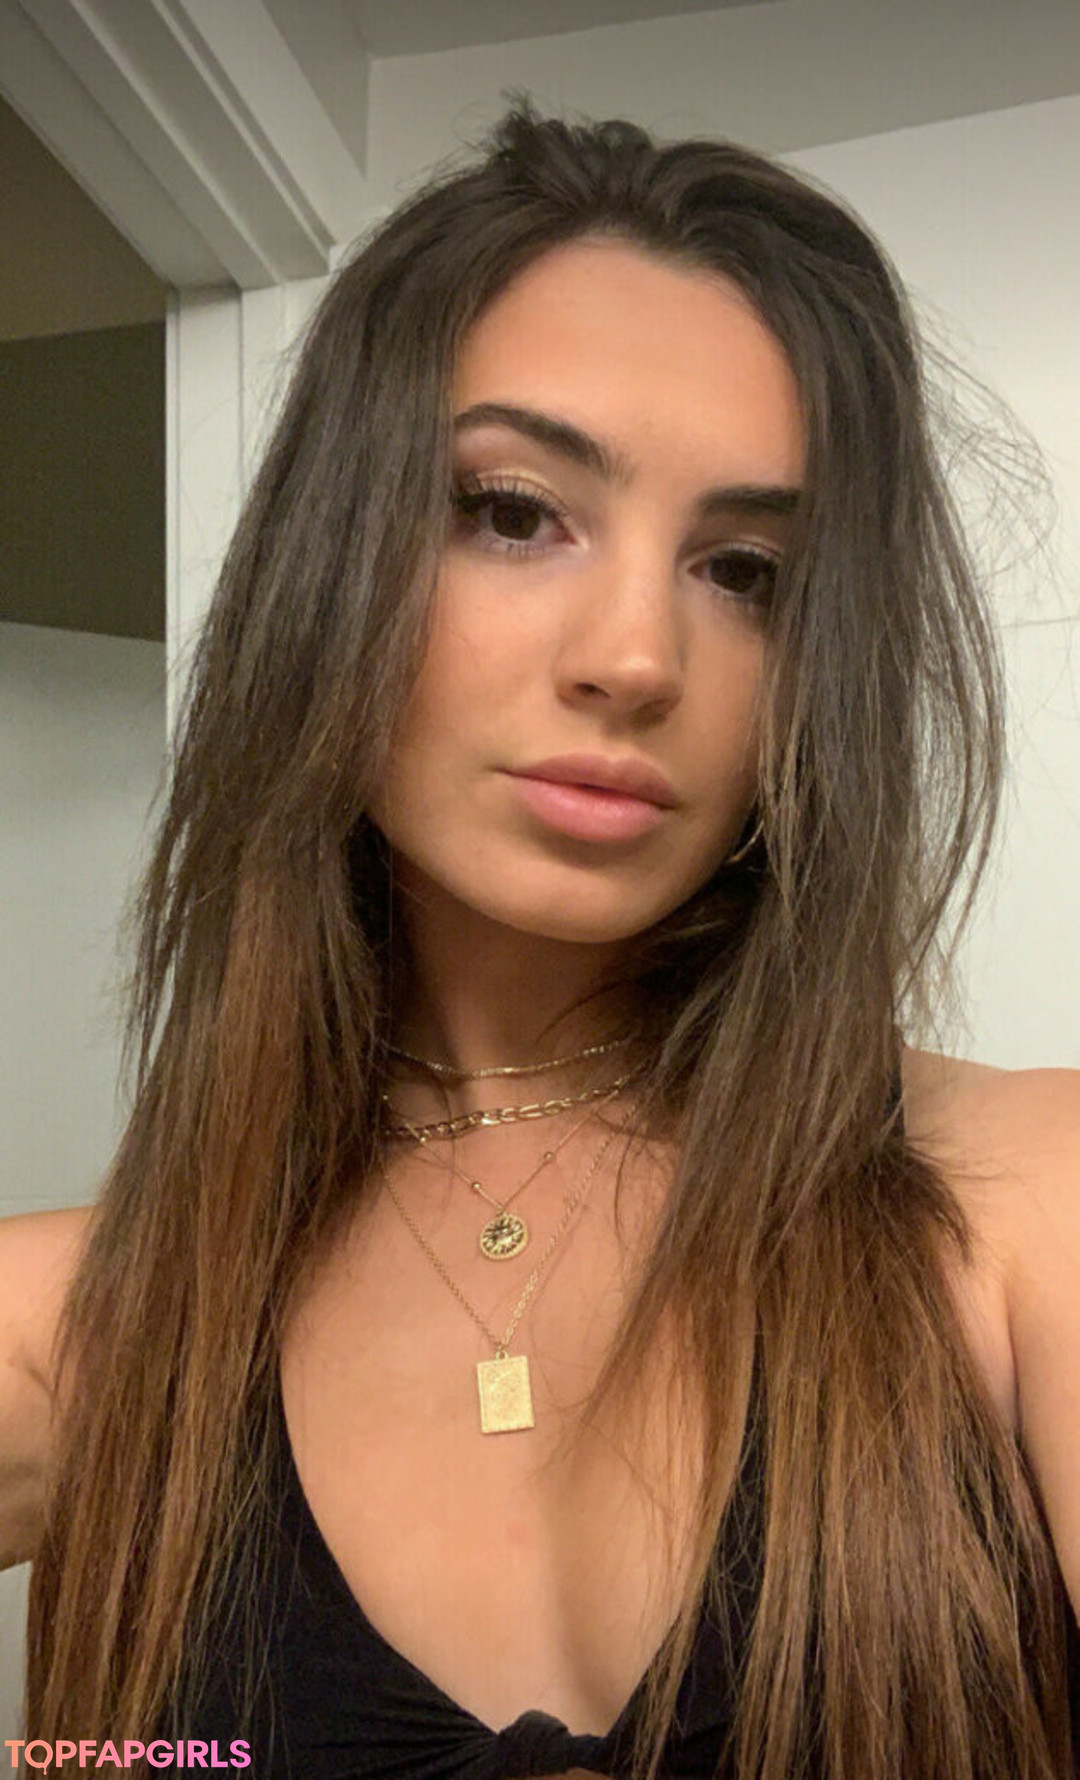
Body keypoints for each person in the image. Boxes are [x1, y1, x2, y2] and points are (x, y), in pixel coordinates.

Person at [2, 101, 1077, 1780]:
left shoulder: (1026, 1209)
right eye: (513, 512)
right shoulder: (96, 1327)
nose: (636, 657)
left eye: (744, 571)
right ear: (331, 560)